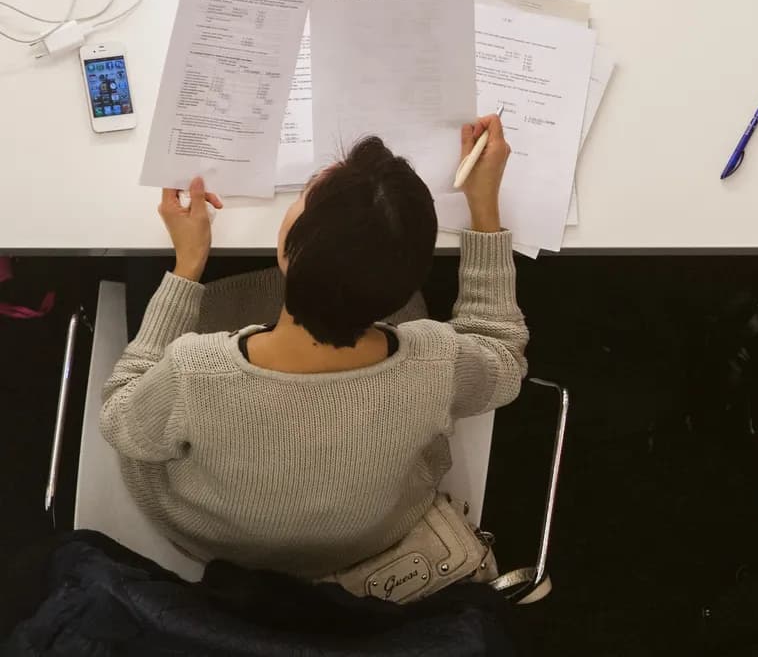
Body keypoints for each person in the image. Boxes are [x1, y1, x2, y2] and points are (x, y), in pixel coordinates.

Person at [100, 115, 528, 579]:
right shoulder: (435, 359)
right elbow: (502, 357)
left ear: (285, 252)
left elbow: (122, 421)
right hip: (370, 536)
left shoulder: (195, 370)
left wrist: (187, 268)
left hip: (214, 539)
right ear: (408, 284)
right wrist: (484, 209)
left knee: (144, 267)